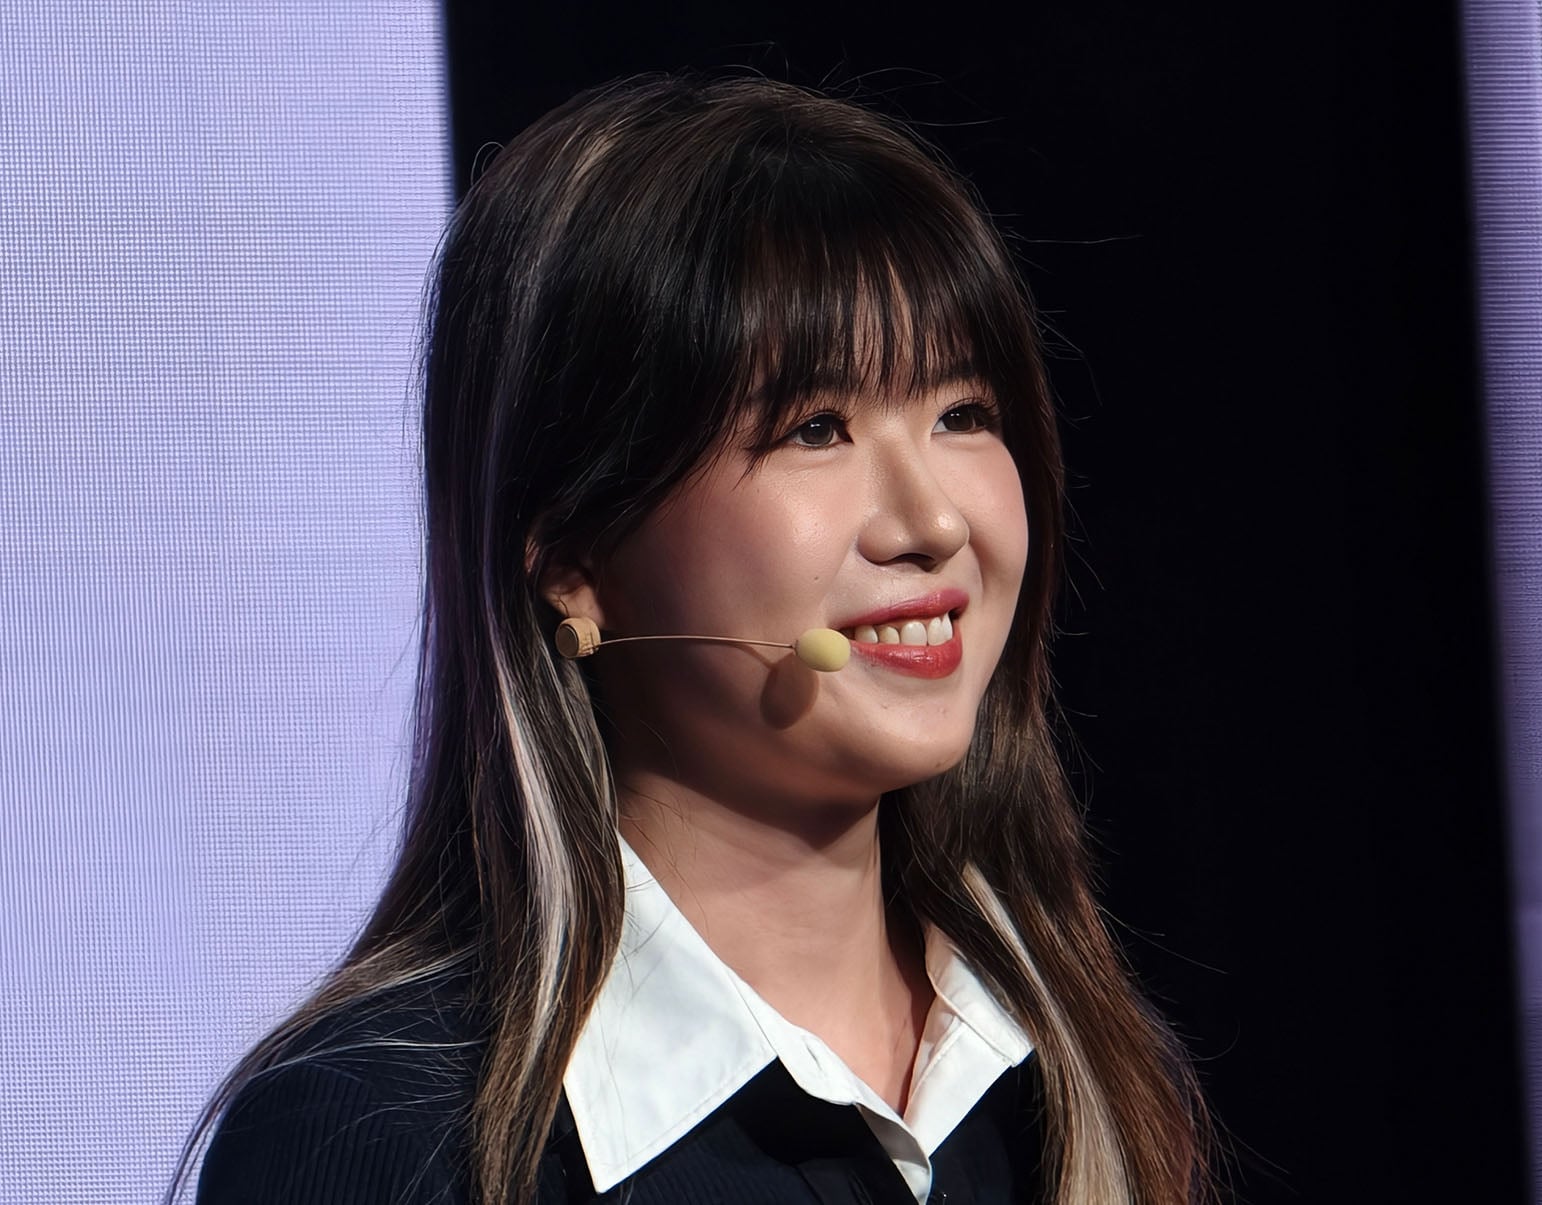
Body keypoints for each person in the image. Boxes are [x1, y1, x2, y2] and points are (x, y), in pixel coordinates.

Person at [173, 73, 1209, 1205]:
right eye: (818, 428)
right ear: (574, 550)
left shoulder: (1067, 1075)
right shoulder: (393, 1134)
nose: (934, 521)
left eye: (962, 413)